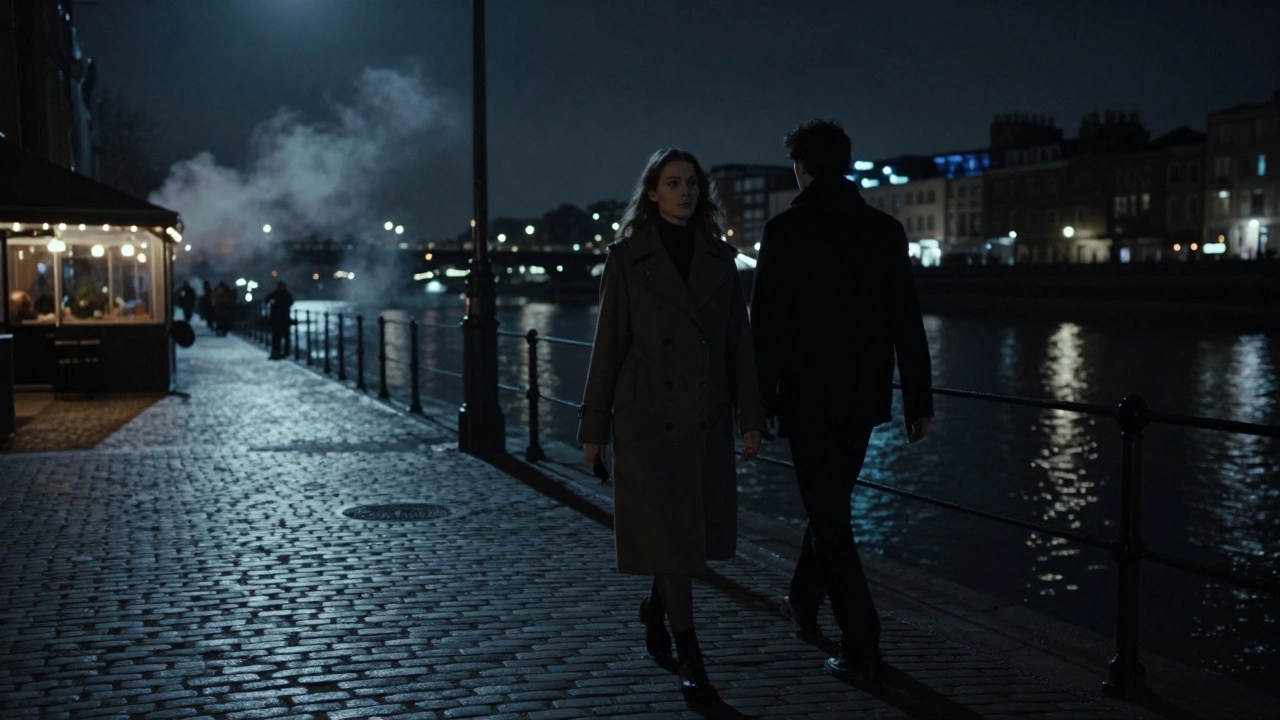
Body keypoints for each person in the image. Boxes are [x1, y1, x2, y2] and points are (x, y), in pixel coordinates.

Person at [578, 148, 765, 704]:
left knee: (685, 537)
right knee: (674, 537)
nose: (685, 191)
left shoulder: (720, 259)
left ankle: (657, 606)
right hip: (645, 421)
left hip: (703, 418)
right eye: (672, 182)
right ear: (652, 193)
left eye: (692, 183)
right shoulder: (627, 257)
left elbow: (740, 346)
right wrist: (593, 428)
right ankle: (691, 654)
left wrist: (750, 417)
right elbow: (607, 346)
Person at [750, 119, 934, 682]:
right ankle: (803, 602)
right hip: (864, 398)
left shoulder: (785, 230)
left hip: (805, 399)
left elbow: (767, 329)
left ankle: (862, 639)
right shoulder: (884, 230)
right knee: (828, 507)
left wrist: (757, 403)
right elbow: (907, 319)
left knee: (828, 516)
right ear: (847, 163)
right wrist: (918, 401)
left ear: (800, 168)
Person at [263, 281, 294, 359]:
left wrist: (273, 305)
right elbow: (291, 302)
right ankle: (286, 352)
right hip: (284, 318)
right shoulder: (287, 294)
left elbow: (266, 299)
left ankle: (276, 352)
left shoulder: (275, 294)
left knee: (276, 337)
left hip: (275, 318)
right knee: (285, 336)